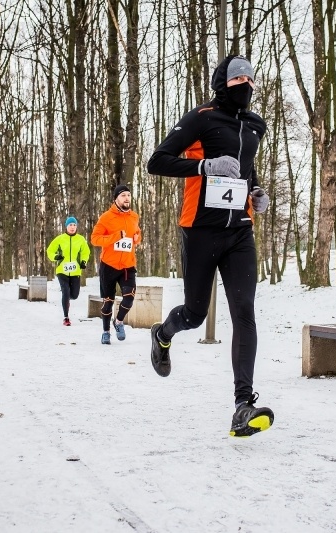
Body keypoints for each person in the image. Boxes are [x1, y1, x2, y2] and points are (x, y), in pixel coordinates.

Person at [145, 55, 273, 438]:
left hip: (240, 233)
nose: (246, 85)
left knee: (244, 314)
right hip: (199, 230)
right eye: (238, 80)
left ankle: (242, 405)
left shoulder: (255, 125)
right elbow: (157, 162)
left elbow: (245, 168)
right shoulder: (201, 117)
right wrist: (204, 167)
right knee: (196, 313)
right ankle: (163, 334)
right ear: (223, 84)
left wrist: (255, 191)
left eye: (251, 80)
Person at [90, 184, 142, 345]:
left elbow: (137, 233)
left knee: (129, 299)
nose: (127, 198)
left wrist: (137, 239)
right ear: (116, 199)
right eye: (123, 195)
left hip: (127, 265)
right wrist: (115, 237)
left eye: (128, 195)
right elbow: (95, 239)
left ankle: (118, 322)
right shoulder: (106, 217)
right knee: (108, 303)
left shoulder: (134, 216)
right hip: (109, 266)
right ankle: (106, 332)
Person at [47, 216, 91, 326]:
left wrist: (83, 261)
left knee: (74, 295)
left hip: (75, 271)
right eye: (70, 225)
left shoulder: (80, 239)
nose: (72, 227)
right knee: (65, 291)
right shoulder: (60, 239)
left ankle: (67, 300)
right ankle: (66, 317)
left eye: (74, 225)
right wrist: (56, 257)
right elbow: (50, 250)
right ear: (66, 226)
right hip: (62, 270)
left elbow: (86, 252)